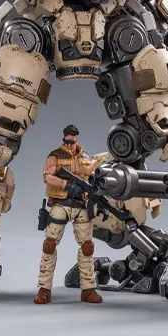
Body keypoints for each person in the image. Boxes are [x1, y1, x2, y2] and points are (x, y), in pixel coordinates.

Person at [34, 125, 103, 304]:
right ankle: (44, 289)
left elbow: (92, 176)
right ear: (64, 139)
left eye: (72, 141)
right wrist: (66, 185)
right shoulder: (55, 155)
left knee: (87, 247)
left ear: (76, 139)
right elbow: (47, 177)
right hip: (61, 203)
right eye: (67, 141)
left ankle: (88, 289)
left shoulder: (85, 156)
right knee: (49, 245)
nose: (70, 144)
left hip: (81, 205)